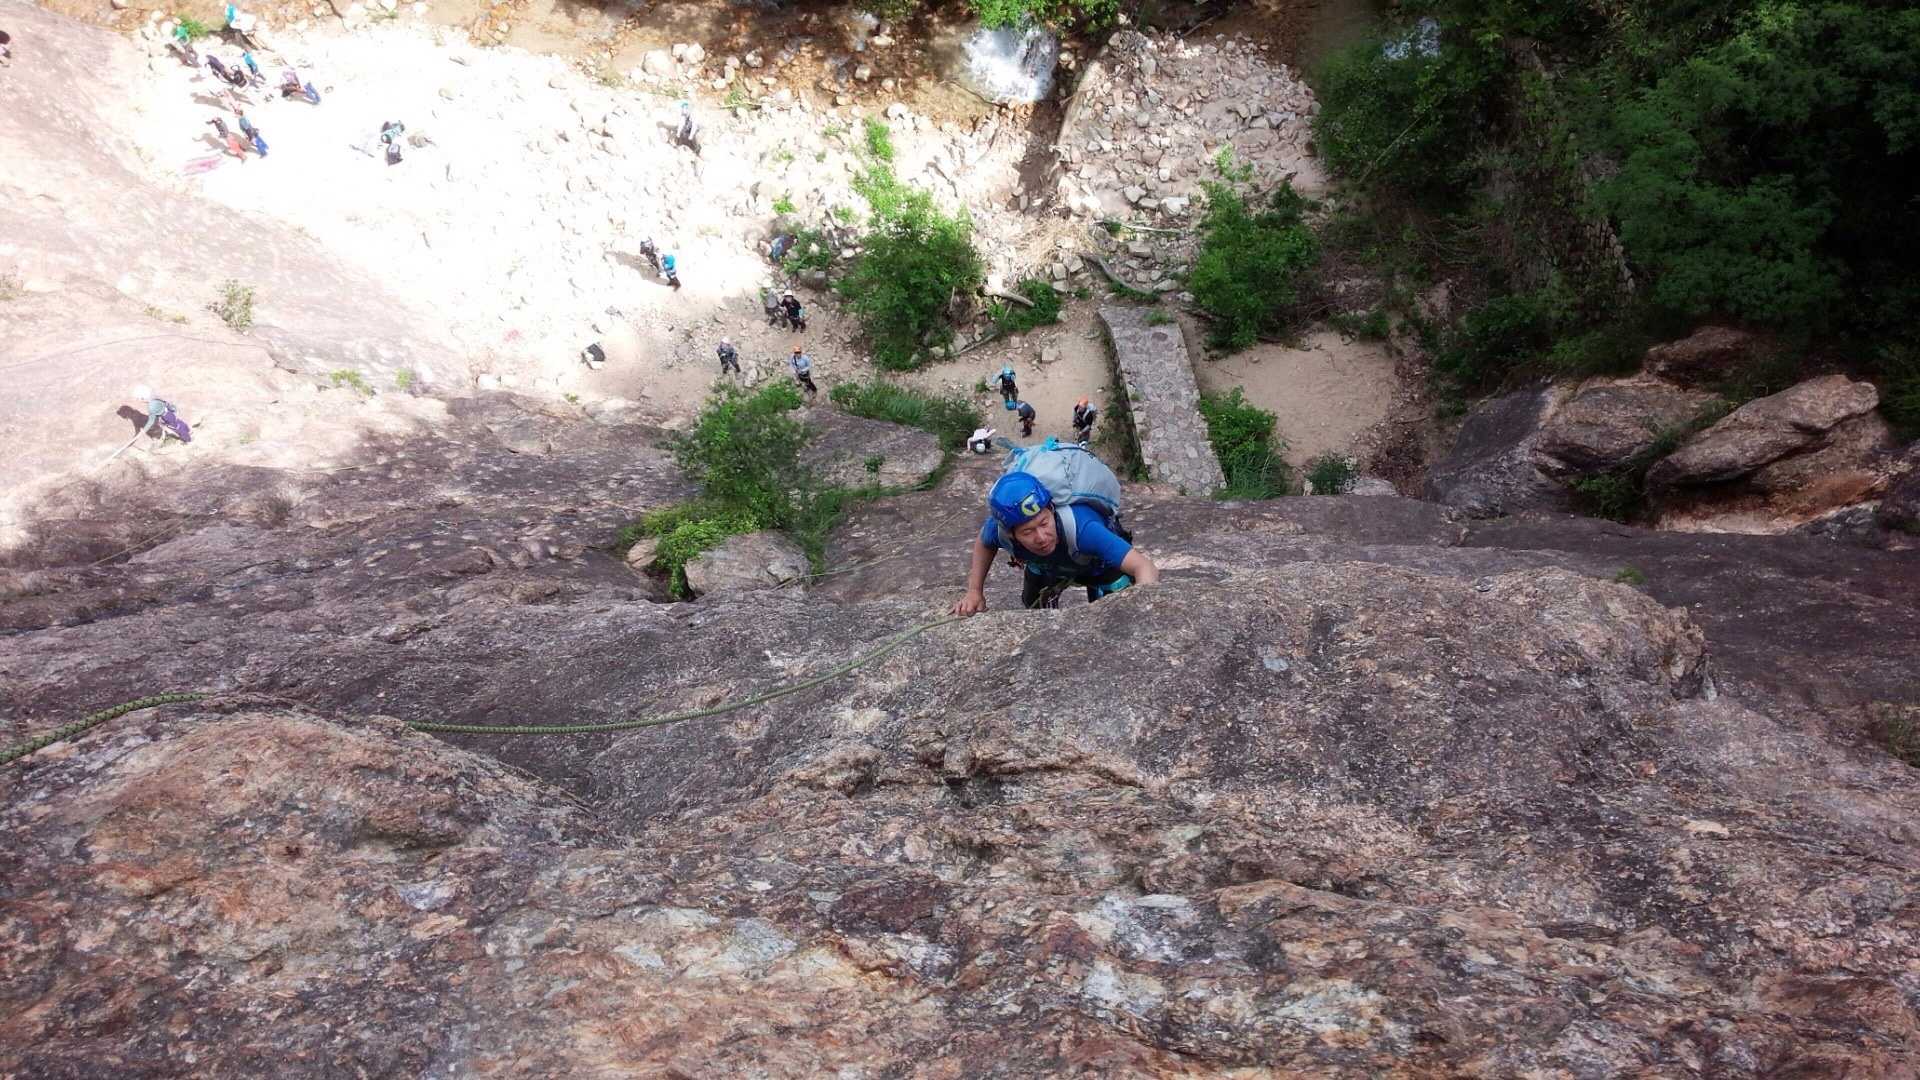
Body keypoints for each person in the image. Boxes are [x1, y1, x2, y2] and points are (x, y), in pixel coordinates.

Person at [951, 453, 1159, 615]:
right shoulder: (1000, 529)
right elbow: (984, 542)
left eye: (1044, 523)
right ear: (1012, 534)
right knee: (1032, 607)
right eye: (1028, 532)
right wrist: (974, 591)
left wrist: (1143, 610)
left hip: (1100, 568)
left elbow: (1144, 567)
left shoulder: (1083, 528)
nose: (1041, 537)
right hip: (1046, 567)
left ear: (1051, 509)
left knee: (1115, 617)